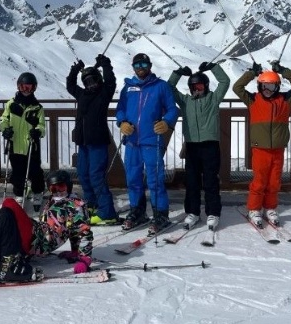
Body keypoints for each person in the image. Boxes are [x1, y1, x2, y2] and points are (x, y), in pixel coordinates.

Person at [232, 61, 291, 227]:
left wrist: (283, 70)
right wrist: (252, 73)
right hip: (260, 149)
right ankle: (254, 209)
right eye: (264, 86)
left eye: (271, 87)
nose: (267, 90)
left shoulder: (285, 100)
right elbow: (237, 88)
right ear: (259, 87)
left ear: (277, 87)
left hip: (278, 149)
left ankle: (270, 208)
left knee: (274, 182)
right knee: (259, 181)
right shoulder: (253, 100)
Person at [115, 53, 179, 234]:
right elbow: (120, 109)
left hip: (152, 140)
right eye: (137, 64)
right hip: (133, 141)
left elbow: (173, 109)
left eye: (144, 63)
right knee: (133, 179)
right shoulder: (127, 88)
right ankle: (137, 211)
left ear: (150, 65)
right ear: (133, 67)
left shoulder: (161, 86)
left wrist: (166, 122)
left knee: (155, 179)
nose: (140, 67)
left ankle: (161, 214)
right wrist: (122, 123)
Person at [168, 61, 230, 231]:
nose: (197, 89)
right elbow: (169, 88)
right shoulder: (185, 101)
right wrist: (178, 72)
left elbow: (225, 82)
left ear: (206, 86)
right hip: (192, 147)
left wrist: (214, 68)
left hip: (210, 146)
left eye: (200, 85)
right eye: (193, 86)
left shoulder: (213, 98)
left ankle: (213, 213)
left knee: (210, 180)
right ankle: (193, 212)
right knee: (192, 181)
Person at [66, 54, 119, 225]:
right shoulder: (82, 94)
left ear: (99, 79)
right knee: (83, 175)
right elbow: (70, 85)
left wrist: (106, 65)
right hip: (83, 142)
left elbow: (111, 82)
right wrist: (74, 70)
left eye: (93, 80)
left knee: (96, 176)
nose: (91, 84)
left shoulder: (104, 93)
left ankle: (107, 212)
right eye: (87, 82)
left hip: (98, 142)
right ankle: (93, 206)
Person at [28, 170, 94, 273]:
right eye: (53, 188)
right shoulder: (52, 201)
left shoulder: (76, 206)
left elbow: (83, 231)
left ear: (69, 186)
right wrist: (74, 252)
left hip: (41, 241)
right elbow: (70, 228)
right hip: (39, 233)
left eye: (61, 187)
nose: (58, 191)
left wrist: (85, 259)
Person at [0, 71, 46, 212]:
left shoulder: (37, 108)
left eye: (29, 87)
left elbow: (42, 126)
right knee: (18, 172)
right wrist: (5, 129)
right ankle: (19, 193)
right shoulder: (11, 104)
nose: (26, 90)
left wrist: (37, 131)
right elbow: (4, 119)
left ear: (34, 88)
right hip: (15, 145)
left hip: (32, 145)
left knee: (35, 171)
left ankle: (37, 192)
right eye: (23, 87)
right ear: (18, 87)